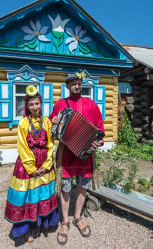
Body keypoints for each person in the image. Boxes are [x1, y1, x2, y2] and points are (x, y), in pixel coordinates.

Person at [49, 73, 104, 245]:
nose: (77, 87)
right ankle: (65, 222)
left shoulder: (92, 105)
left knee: (82, 187)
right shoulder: (60, 104)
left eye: (79, 84)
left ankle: (77, 217)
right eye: (74, 84)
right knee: (65, 188)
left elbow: (100, 129)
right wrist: (54, 120)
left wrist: (99, 141)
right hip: (65, 153)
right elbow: (51, 122)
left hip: (85, 154)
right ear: (67, 87)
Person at [4, 85, 59, 243]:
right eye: (31, 104)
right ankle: (28, 227)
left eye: (37, 103)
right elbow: (22, 146)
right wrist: (31, 167)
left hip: (45, 165)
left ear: (41, 104)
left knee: (43, 194)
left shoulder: (47, 122)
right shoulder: (23, 123)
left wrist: (48, 164)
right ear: (27, 106)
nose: (35, 107)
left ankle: (41, 223)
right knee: (28, 196)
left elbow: (51, 144)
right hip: (29, 165)